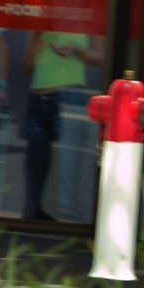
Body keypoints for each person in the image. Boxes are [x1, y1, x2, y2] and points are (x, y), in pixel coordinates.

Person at [22, 29, 104, 221]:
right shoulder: (44, 9)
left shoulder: (86, 9)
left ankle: (74, 233)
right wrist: (35, 39)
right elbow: (26, 67)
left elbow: (104, 58)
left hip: (68, 97)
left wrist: (76, 49)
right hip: (37, 97)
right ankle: (37, 230)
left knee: (67, 180)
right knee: (36, 184)